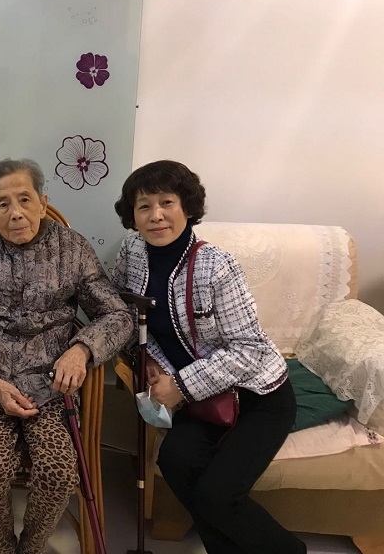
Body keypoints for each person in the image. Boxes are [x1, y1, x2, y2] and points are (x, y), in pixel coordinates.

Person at [0, 158, 132, 554]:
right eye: (3, 204)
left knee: (59, 471)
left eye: (25, 199)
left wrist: (81, 350)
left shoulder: (72, 248)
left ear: (43, 202)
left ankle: (32, 545)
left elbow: (118, 315)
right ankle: (2, 545)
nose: (16, 212)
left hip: (50, 379)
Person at [112, 160, 306, 553]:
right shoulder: (131, 253)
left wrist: (180, 386)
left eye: (167, 202)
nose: (156, 215)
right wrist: (151, 362)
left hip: (258, 397)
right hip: (202, 404)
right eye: (144, 206)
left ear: (187, 206)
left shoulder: (216, 266)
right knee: (176, 461)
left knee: (217, 495)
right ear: (133, 215)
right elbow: (121, 314)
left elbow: (249, 349)